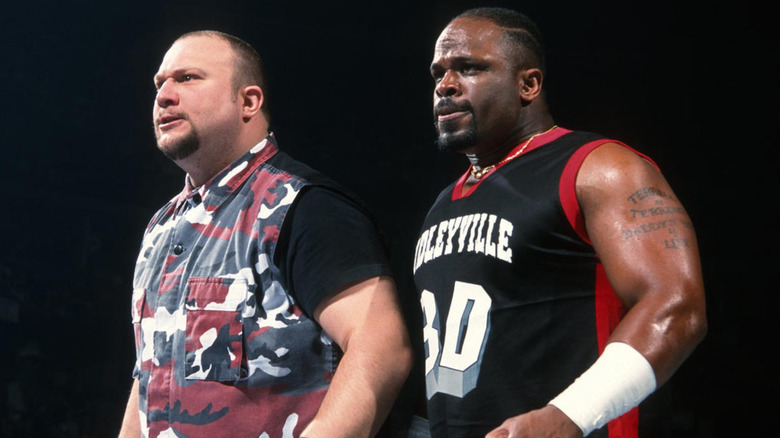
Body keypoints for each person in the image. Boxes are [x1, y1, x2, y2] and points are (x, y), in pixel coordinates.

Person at [412, 7, 707, 438]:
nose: (446, 85)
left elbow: (676, 305)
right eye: (438, 72)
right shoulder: (441, 205)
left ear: (528, 84)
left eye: (470, 68)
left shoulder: (598, 167)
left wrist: (568, 415)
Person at [117, 30, 413, 438]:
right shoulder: (161, 226)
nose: (164, 95)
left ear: (249, 102)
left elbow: (382, 347)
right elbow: (149, 374)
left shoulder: (304, 206)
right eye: (159, 83)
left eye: (187, 78)